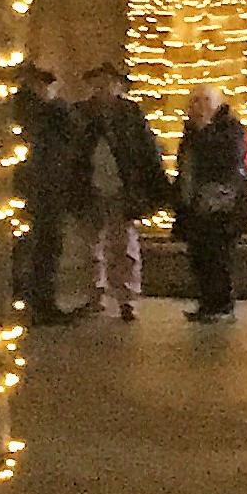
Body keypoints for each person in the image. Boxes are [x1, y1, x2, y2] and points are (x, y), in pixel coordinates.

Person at [75, 64, 172, 322]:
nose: (103, 87)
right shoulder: (81, 113)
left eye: (108, 82)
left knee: (123, 244)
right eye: (98, 82)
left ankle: (126, 297)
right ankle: (94, 294)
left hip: (121, 187)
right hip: (90, 186)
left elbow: (146, 150)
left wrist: (153, 185)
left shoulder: (130, 113)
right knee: (90, 245)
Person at [174, 87, 247, 319]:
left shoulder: (229, 129)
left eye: (205, 101)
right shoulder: (191, 132)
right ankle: (207, 303)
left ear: (217, 105)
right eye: (195, 101)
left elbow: (225, 159)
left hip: (223, 207)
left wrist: (204, 131)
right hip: (196, 206)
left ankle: (223, 305)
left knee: (219, 258)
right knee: (200, 257)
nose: (199, 106)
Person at [12, 63, 81, 321]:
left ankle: (33, 302)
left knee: (38, 248)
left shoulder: (34, 110)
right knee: (41, 249)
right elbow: (72, 132)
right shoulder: (44, 111)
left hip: (42, 188)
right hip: (41, 189)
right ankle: (39, 303)